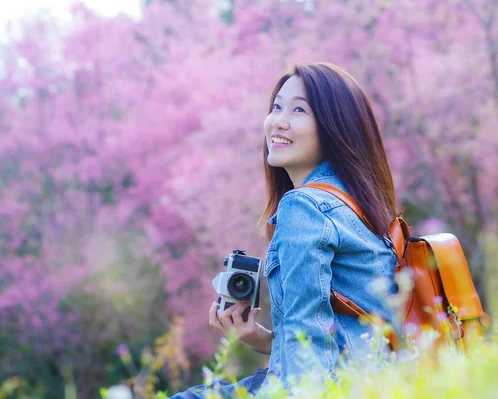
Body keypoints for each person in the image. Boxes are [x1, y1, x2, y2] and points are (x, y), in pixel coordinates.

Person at [170, 62, 399, 398]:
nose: (278, 120)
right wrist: (261, 339)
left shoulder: (303, 206)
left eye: (299, 110)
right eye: (277, 106)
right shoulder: (361, 205)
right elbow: (329, 333)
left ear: (335, 127)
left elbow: (306, 346)